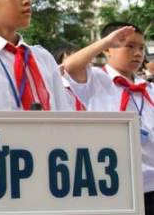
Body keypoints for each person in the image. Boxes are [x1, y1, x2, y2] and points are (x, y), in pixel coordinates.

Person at [63, 21, 154, 212]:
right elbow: (69, 66)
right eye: (129, 46)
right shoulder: (96, 80)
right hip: (116, 183)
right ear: (107, 50)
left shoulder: (148, 88)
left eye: (141, 48)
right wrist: (107, 41)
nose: (138, 53)